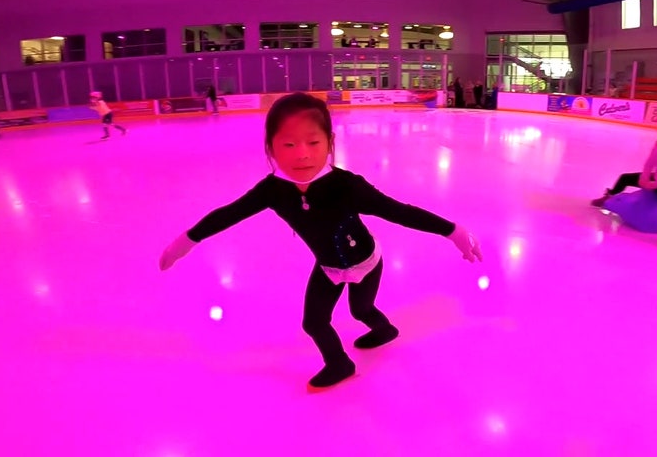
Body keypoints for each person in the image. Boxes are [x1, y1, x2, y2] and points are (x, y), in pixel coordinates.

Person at [158, 92, 482, 390]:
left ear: (330, 142)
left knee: (361, 309)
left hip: (366, 261)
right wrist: (183, 243)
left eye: (313, 142)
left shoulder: (347, 186)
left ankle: (384, 330)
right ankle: (339, 363)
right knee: (314, 321)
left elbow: (399, 211)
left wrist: (454, 232)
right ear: (270, 147)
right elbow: (228, 214)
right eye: (288, 145)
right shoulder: (272, 190)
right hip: (328, 266)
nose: (302, 155)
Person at [591, 112, 657, 246]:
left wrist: (655, 183)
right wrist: (644, 178)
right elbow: (651, 162)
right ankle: (609, 196)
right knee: (625, 178)